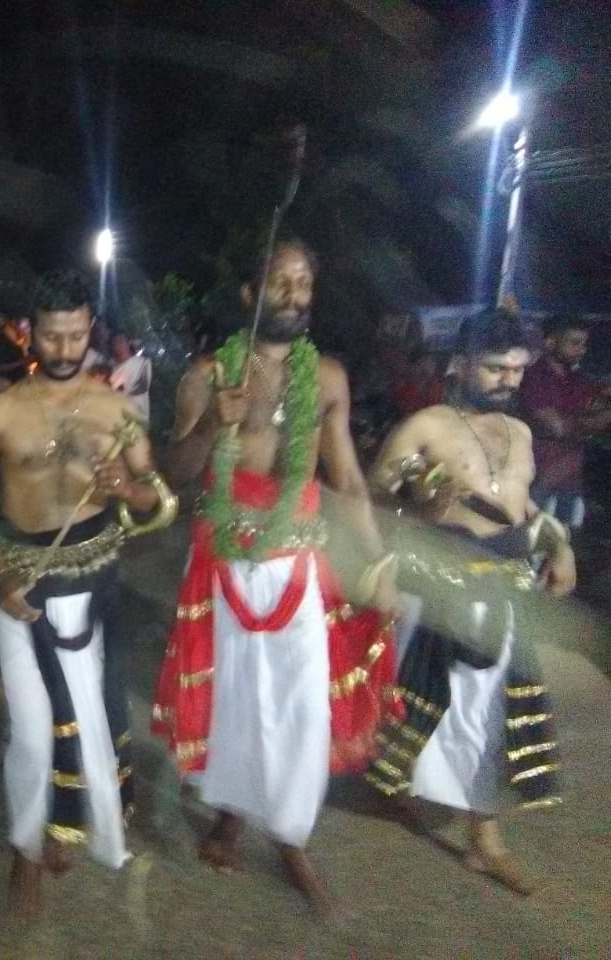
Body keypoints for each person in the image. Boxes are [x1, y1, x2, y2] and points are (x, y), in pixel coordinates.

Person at [150, 238, 401, 915]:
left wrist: (377, 562)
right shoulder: (207, 373)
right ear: (248, 295)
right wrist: (212, 426)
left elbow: (346, 477)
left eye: (302, 284)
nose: (293, 296)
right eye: (279, 282)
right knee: (234, 694)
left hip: (299, 555)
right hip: (224, 554)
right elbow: (172, 470)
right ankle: (231, 813)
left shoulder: (328, 381)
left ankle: (291, 837)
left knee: (297, 703)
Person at [0, 268, 177, 918]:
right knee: (32, 731)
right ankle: (25, 846)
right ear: (31, 334)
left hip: (97, 585)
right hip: (25, 589)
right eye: (53, 335)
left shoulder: (118, 410)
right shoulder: (0, 413)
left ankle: (69, 820)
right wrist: (1, 574)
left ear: (90, 331)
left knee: (97, 718)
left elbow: (157, 498)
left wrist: (126, 490)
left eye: (78, 334)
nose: (67, 348)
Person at [366, 309, 574, 896]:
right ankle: (408, 790)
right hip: (439, 586)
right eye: (494, 368)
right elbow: (376, 497)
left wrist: (560, 545)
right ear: (459, 363)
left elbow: (522, 508)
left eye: (516, 370)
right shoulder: (425, 426)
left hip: (505, 589)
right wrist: (418, 505)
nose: (508, 381)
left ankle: (485, 841)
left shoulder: (522, 433)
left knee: (489, 717)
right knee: (429, 702)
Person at [516, 316, 611, 530]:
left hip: (570, 482)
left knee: (564, 549)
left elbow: (595, 406)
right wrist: (596, 419)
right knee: (534, 548)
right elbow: (558, 428)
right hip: (539, 480)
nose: (582, 350)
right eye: (574, 343)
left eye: (584, 344)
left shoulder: (577, 380)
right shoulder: (536, 378)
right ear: (550, 343)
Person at [108, 333, 151, 423]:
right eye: (115, 343)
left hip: (139, 411)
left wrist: (125, 395)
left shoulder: (142, 362)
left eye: (121, 341)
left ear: (128, 343)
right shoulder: (113, 368)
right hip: (120, 414)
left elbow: (143, 386)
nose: (119, 345)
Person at [0, 317, 31, 385]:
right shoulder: (0, 342)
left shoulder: (27, 340)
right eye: (24, 326)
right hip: (9, 383)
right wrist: (21, 363)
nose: (27, 330)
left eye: (28, 326)